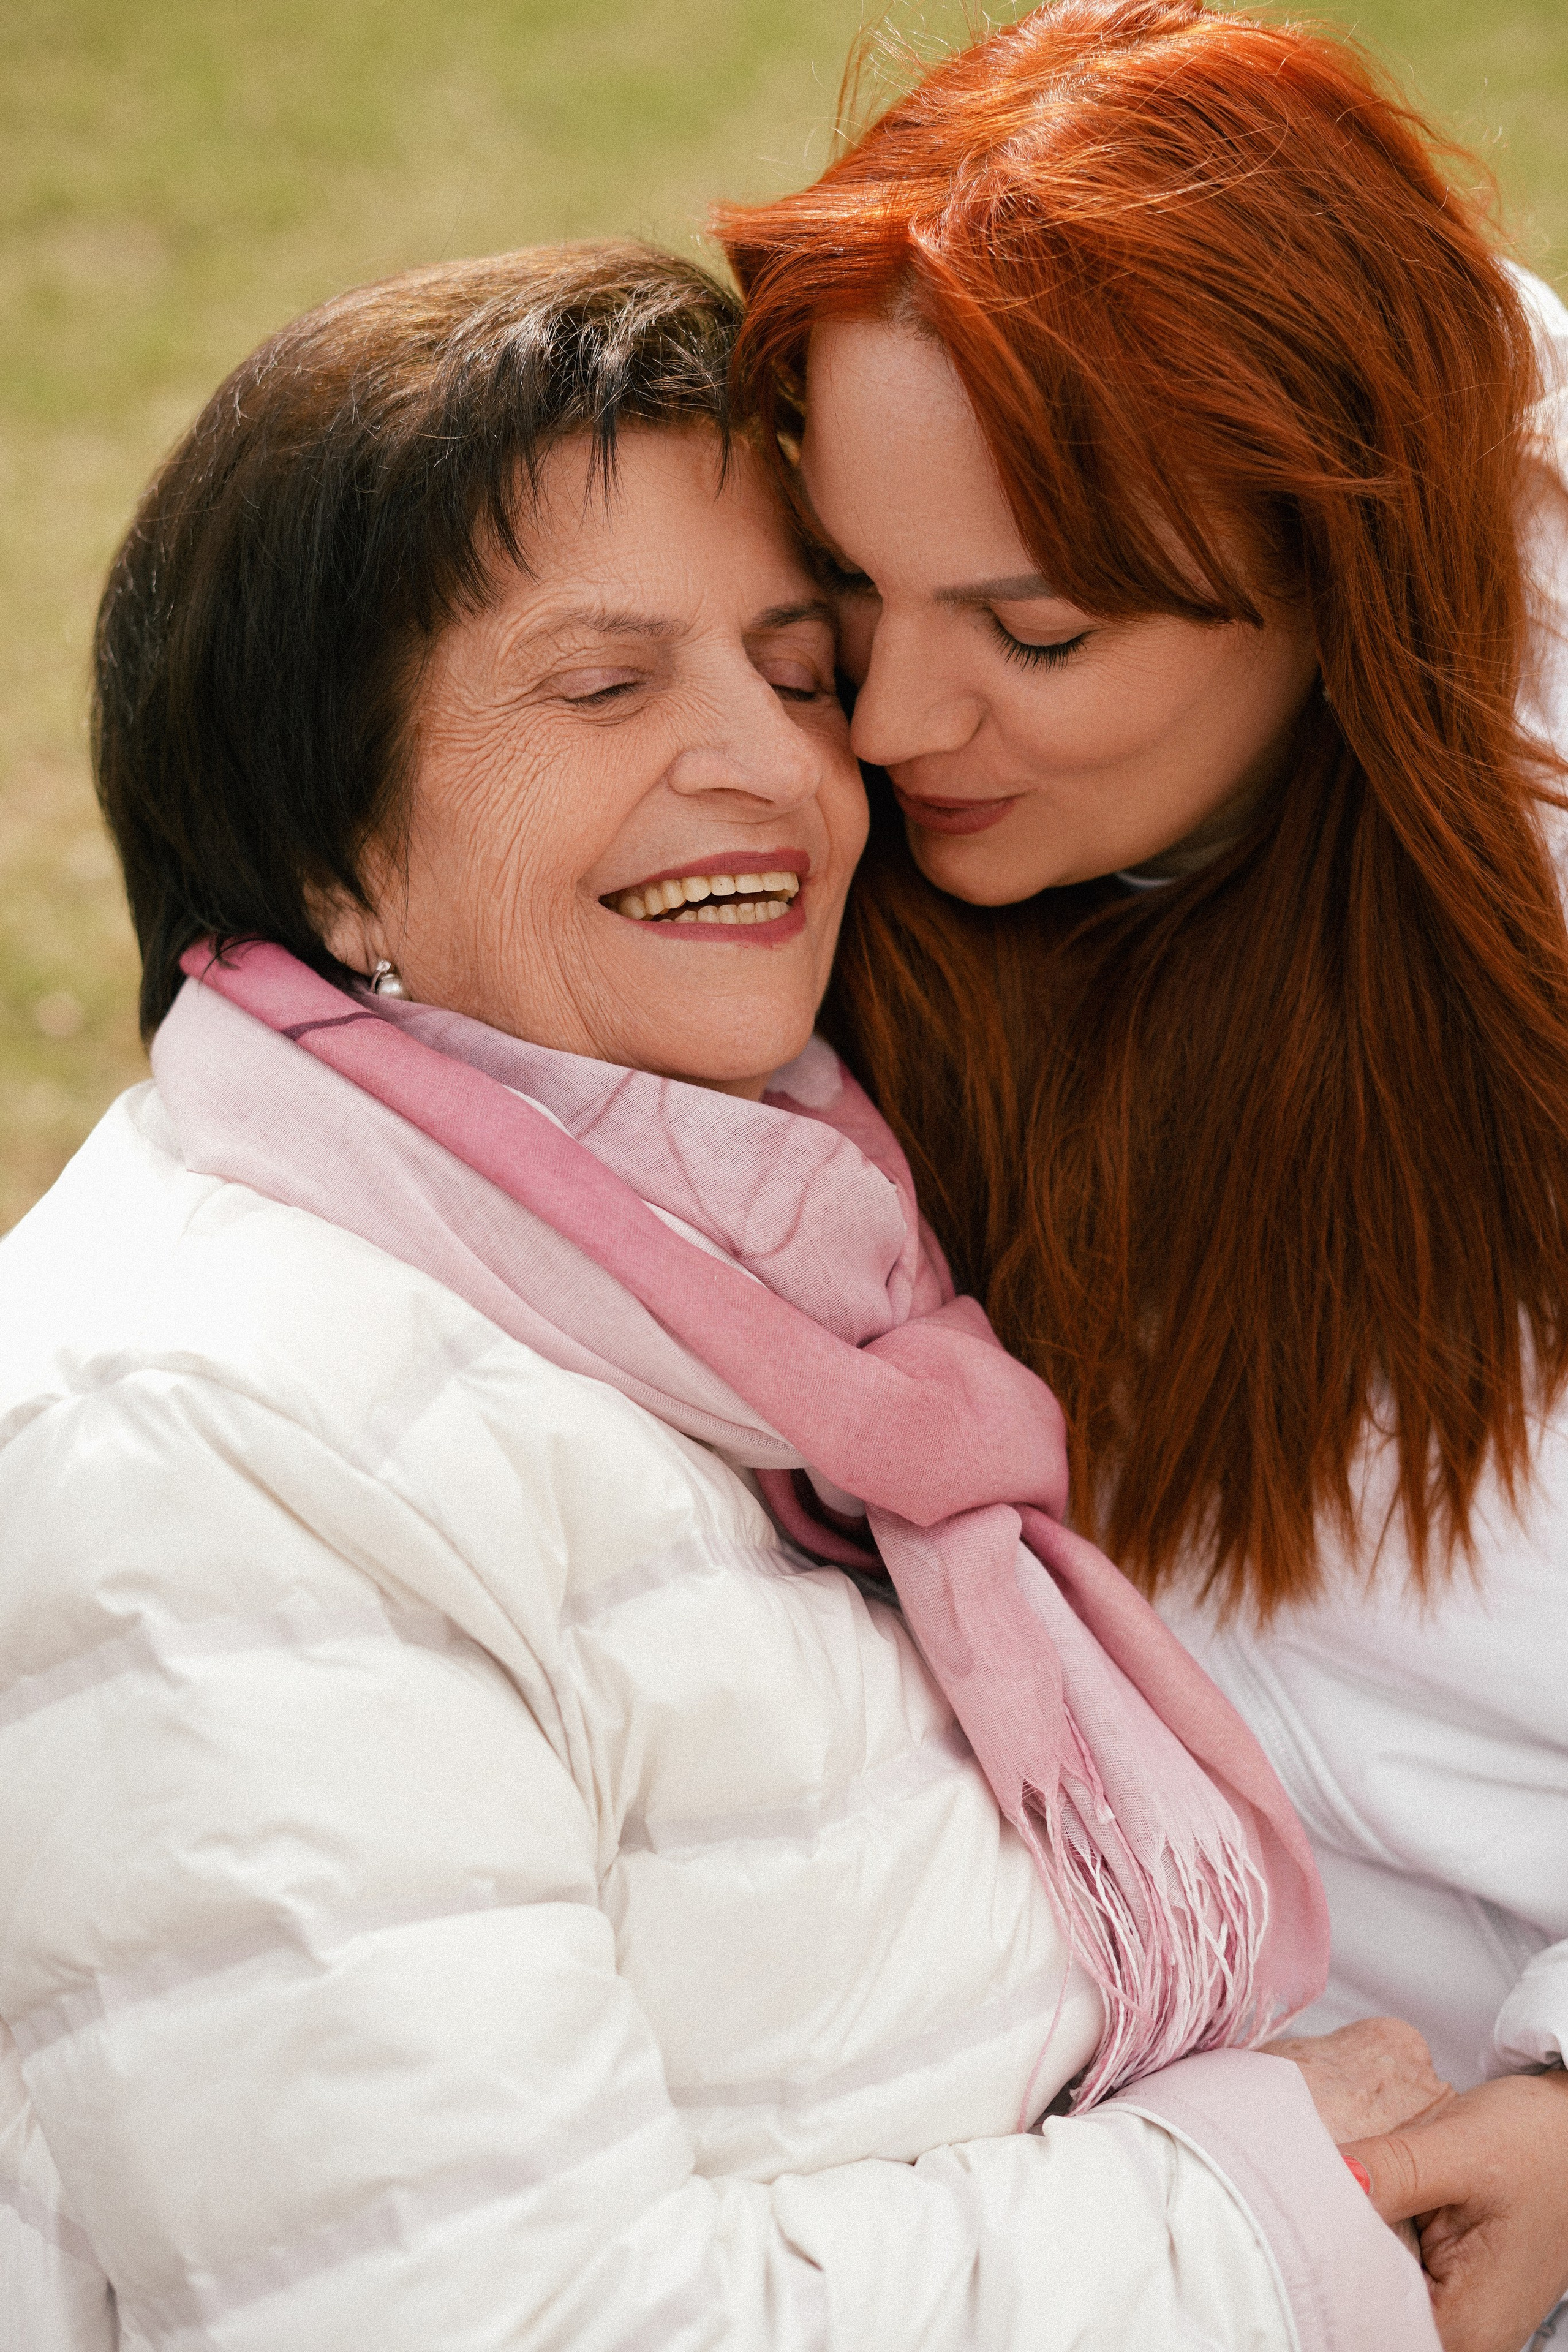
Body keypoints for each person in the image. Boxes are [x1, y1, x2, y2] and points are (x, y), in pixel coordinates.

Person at [0, 241, 1437, 2352]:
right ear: (323, 856)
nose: (773, 765)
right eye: (604, 686)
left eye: (791, 666)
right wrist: (1266, 2222)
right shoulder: (204, 1437)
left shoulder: (776, 1273)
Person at [715, 4, 1568, 2346]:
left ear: (1344, 578)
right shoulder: (802, 894)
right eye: (842, 601)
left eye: (1043, 635)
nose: (891, 728)